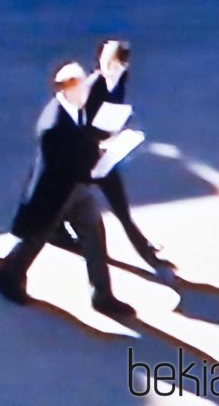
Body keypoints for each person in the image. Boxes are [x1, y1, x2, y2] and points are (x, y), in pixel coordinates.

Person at [0, 62, 135, 317]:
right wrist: (100, 162)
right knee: (36, 237)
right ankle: (8, 273)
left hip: (76, 188)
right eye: (82, 85)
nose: (88, 90)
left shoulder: (77, 108)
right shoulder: (53, 126)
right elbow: (63, 165)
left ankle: (102, 295)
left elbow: (86, 138)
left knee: (94, 234)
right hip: (55, 194)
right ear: (69, 89)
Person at [51, 40, 173, 270]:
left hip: (101, 153)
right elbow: (79, 122)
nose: (107, 68)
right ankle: (55, 230)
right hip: (83, 154)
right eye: (105, 62)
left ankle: (144, 249)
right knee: (67, 198)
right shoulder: (93, 85)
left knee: (119, 205)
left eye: (114, 64)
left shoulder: (119, 82)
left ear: (124, 66)